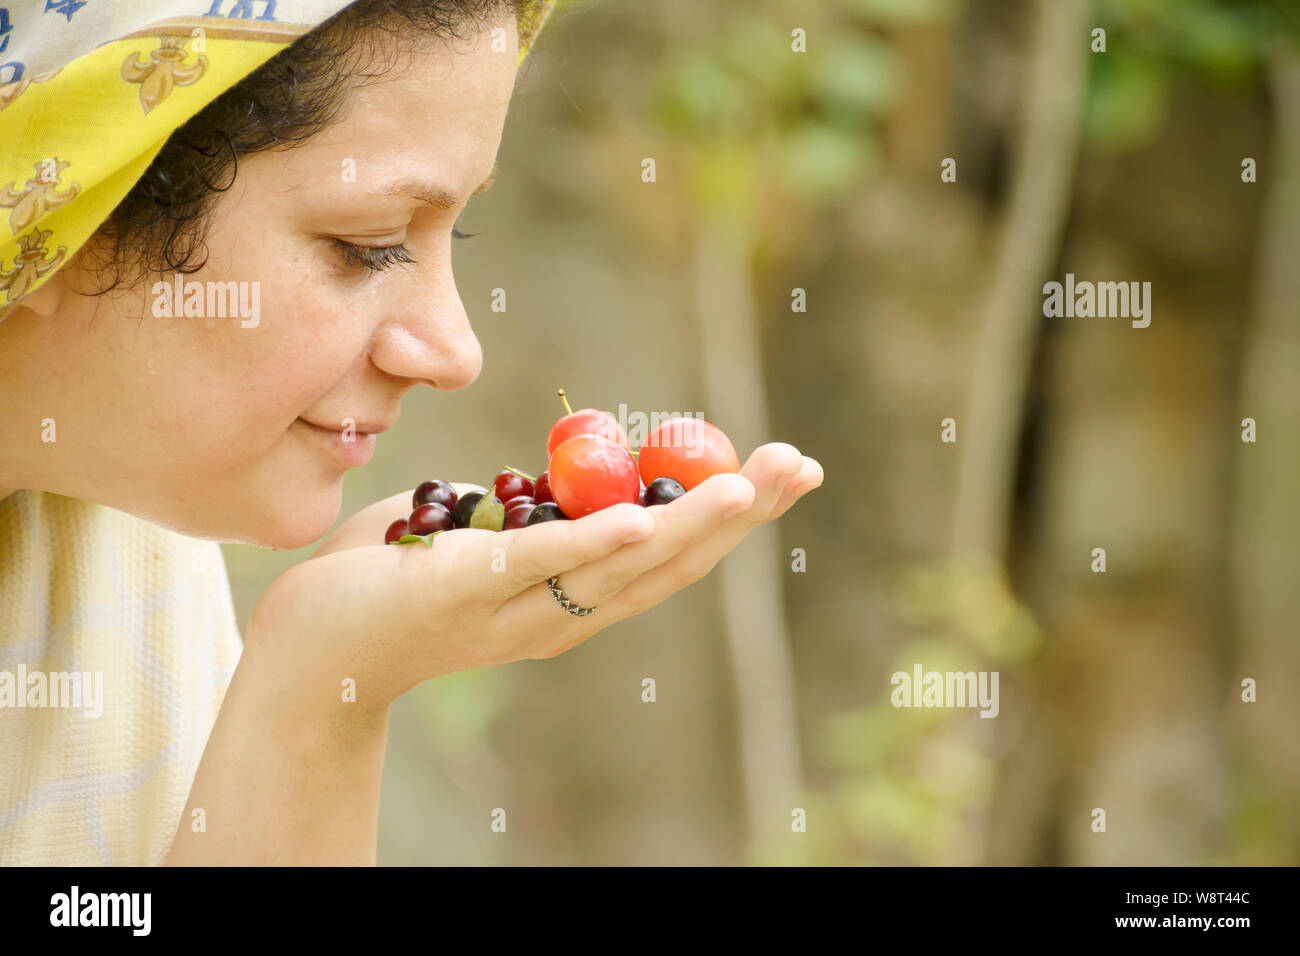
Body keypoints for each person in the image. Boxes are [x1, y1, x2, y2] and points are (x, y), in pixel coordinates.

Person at [0, 0, 823, 865]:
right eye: (369, 243)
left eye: (457, 228)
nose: (455, 352)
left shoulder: (133, 563)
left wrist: (326, 684)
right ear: (58, 204)